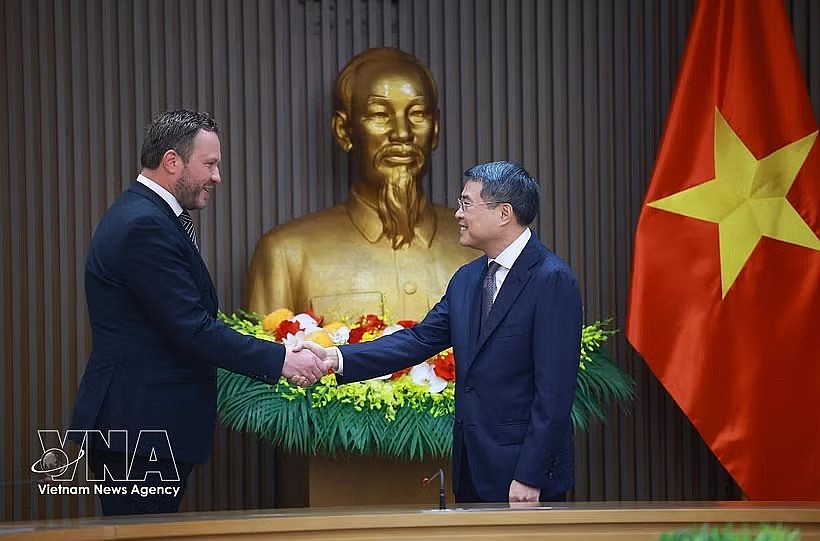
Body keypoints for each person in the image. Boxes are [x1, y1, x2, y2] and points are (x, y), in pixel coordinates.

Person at [69, 110, 325, 516]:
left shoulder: (146, 216)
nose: (217, 176)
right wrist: (281, 360)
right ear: (173, 162)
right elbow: (192, 328)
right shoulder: (144, 226)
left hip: (144, 425)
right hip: (141, 428)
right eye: (209, 164)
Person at [297, 161, 583, 504]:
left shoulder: (551, 279)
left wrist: (529, 476)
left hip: (523, 478)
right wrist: (336, 357)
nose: (458, 214)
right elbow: (418, 341)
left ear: (504, 213)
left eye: (466, 203)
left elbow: (554, 393)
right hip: (472, 469)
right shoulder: (467, 279)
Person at [246, 48, 477, 322]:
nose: (402, 134)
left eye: (417, 114)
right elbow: (263, 362)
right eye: (380, 115)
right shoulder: (287, 255)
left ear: (435, 129)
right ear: (344, 131)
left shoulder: (483, 247)